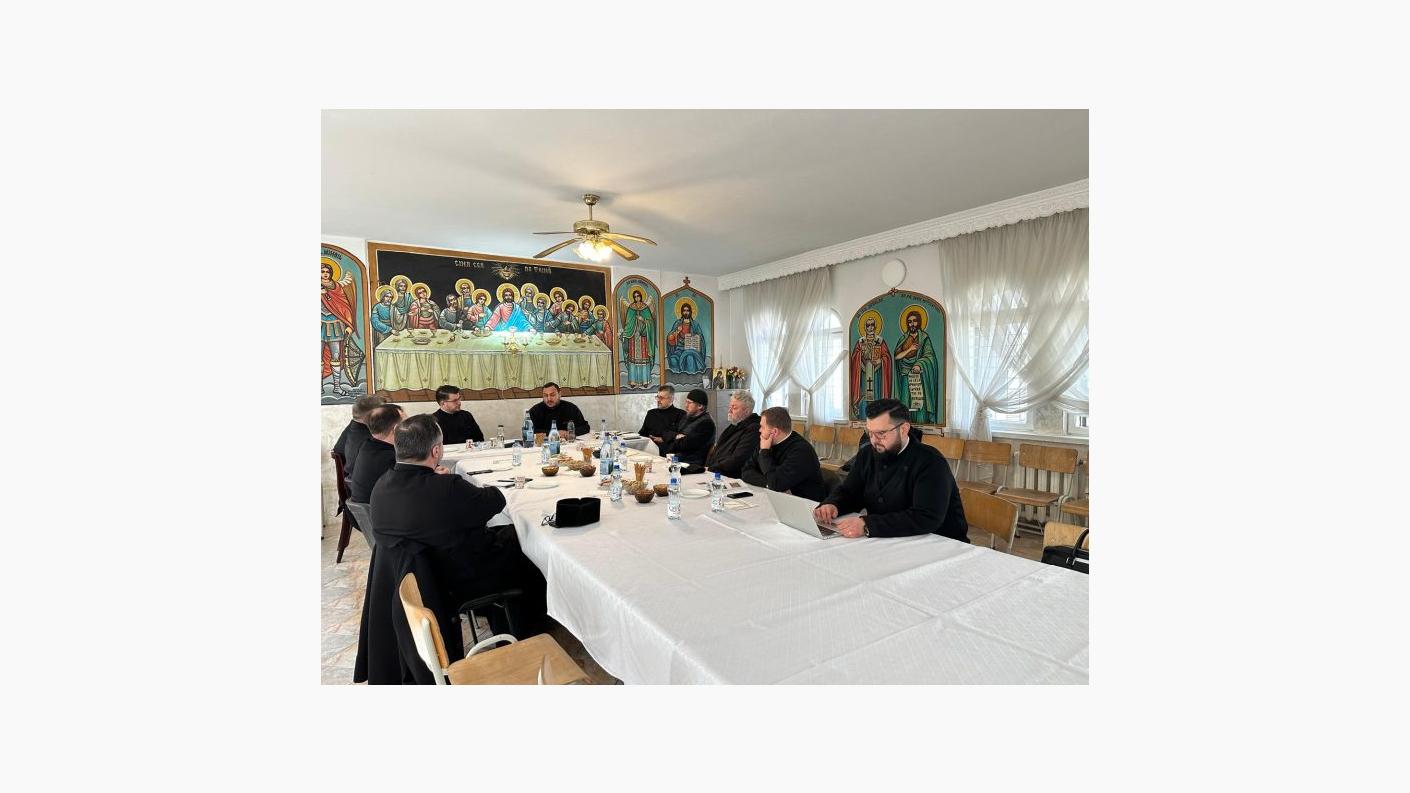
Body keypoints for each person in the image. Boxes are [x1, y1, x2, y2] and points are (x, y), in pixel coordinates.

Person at [355, 415, 547, 684]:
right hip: (452, 581)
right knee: (526, 548)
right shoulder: (447, 489)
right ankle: (532, 637)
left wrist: (435, 478)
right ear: (436, 451)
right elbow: (494, 500)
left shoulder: (382, 486)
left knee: (503, 537)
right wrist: (446, 481)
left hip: (422, 577)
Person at [813, 399, 967, 541]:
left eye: (881, 433)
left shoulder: (931, 461)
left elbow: (926, 517)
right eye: (869, 433)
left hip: (938, 542)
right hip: (888, 538)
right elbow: (850, 492)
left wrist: (867, 525)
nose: (874, 440)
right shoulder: (867, 454)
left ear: (904, 429)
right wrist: (833, 504)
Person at [741, 406, 827, 500]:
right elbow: (746, 471)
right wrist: (768, 484)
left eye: (762, 427)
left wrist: (765, 452)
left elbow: (776, 483)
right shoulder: (765, 441)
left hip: (805, 503)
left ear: (774, 432)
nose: (759, 430)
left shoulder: (801, 451)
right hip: (777, 497)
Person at [348, 403, 404, 503]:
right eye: (406, 424)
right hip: (382, 510)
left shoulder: (367, 446)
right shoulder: (389, 459)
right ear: (395, 429)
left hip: (372, 508)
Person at [893, 309, 939, 424]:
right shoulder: (903, 339)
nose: (912, 324)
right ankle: (905, 427)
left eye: (914, 321)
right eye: (909, 322)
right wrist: (910, 349)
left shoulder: (924, 338)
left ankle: (920, 424)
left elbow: (929, 356)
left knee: (919, 404)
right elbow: (897, 357)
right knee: (906, 403)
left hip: (919, 376)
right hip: (905, 376)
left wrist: (919, 364)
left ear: (919, 322)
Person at [705, 390, 760, 479]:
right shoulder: (735, 425)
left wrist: (711, 469)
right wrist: (707, 467)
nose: (729, 410)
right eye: (730, 407)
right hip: (715, 472)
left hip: (731, 477)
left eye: (734, 408)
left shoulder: (753, 429)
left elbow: (738, 459)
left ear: (746, 411)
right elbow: (717, 450)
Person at [849, 314, 892, 419]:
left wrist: (880, 360)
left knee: (876, 396)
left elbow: (887, 357)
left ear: (875, 327)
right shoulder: (860, 342)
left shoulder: (880, 341)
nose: (870, 327)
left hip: (876, 375)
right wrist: (860, 359)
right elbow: (854, 357)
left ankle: (877, 418)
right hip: (864, 373)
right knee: (865, 396)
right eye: (868, 325)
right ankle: (864, 417)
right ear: (865, 328)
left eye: (872, 325)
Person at [658, 388, 715, 468]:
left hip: (691, 464)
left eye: (689, 403)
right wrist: (677, 436)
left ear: (700, 406)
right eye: (686, 402)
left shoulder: (706, 423)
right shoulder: (686, 417)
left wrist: (672, 439)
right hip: (677, 458)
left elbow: (685, 445)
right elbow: (665, 432)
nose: (686, 405)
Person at [335, 394, 387, 480]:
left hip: (352, 481)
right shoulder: (369, 438)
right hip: (362, 484)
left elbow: (337, 449)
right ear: (372, 415)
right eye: (384, 412)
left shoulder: (352, 428)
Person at [620, 288, 656, 387]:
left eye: (638, 296)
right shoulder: (631, 308)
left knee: (644, 358)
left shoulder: (645, 308)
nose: (637, 298)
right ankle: (633, 381)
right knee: (633, 359)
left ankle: (645, 381)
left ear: (641, 296)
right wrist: (625, 333)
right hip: (633, 336)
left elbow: (651, 323)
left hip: (643, 337)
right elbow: (628, 323)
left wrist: (643, 319)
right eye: (635, 296)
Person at [666, 302, 708, 376]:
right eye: (684, 310)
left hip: (691, 349)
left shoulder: (695, 324)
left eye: (687, 310)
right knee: (673, 359)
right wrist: (677, 332)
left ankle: (691, 378)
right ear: (682, 312)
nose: (686, 312)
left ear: (690, 312)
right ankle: (677, 379)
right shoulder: (677, 323)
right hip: (679, 349)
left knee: (689, 358)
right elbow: (670, 338)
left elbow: (701, 339)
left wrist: (694, 336)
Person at [638, 385, 685, 449]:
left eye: (661, 398)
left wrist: (664, 439)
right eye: (657, 397)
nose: (658, 400)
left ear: (671, 399)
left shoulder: (681, 414)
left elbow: (682, 438)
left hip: (669, 450)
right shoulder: (651, 413)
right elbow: (642, 433)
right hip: (649, 448)